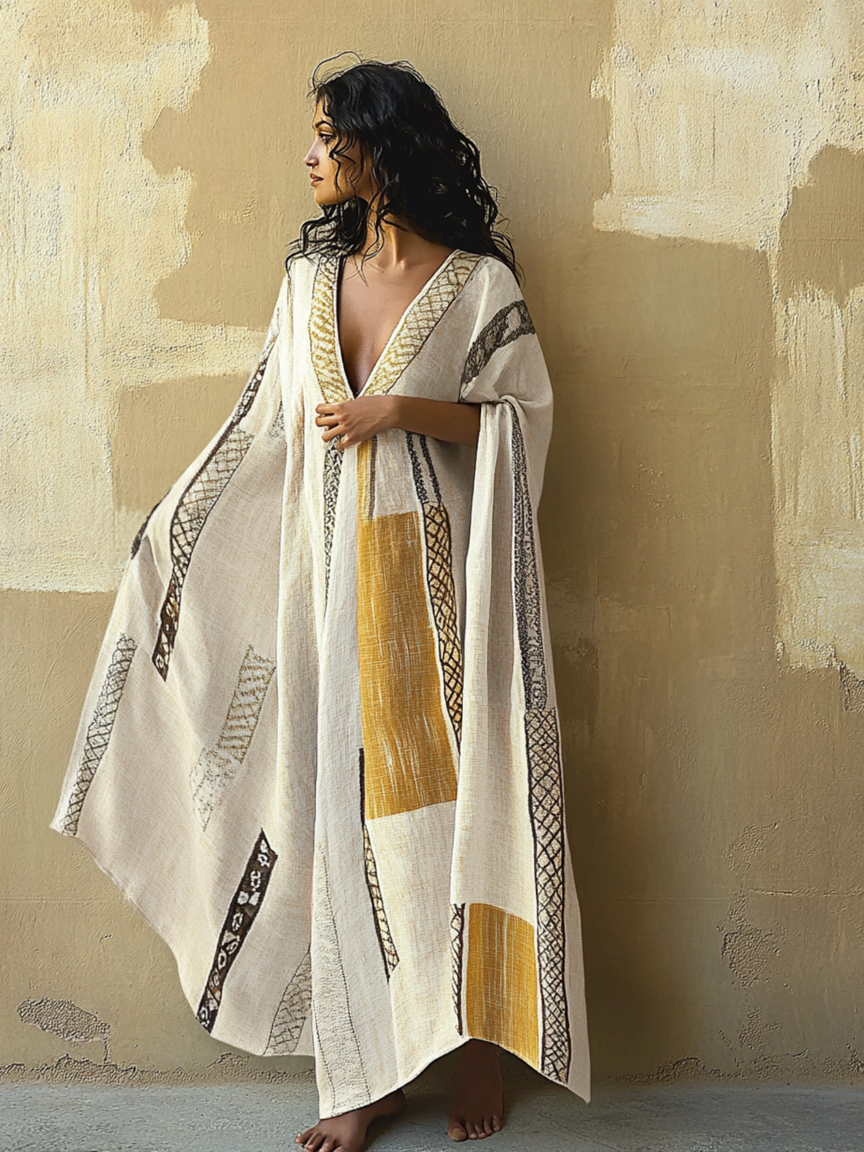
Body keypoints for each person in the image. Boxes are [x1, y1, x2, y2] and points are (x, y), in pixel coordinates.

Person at [50, 56, 590, 1152]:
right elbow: (260, 431)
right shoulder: (306, 286)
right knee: (328, 816)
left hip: (436, 603)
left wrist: (398, 408)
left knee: (458, 809)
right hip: (325, 595)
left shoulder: (478, 287)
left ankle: (477, 1049)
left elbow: (519, 417)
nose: (308, 155)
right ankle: (363, 1078)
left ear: (379, 149)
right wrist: (173, 540)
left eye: (326, 137)